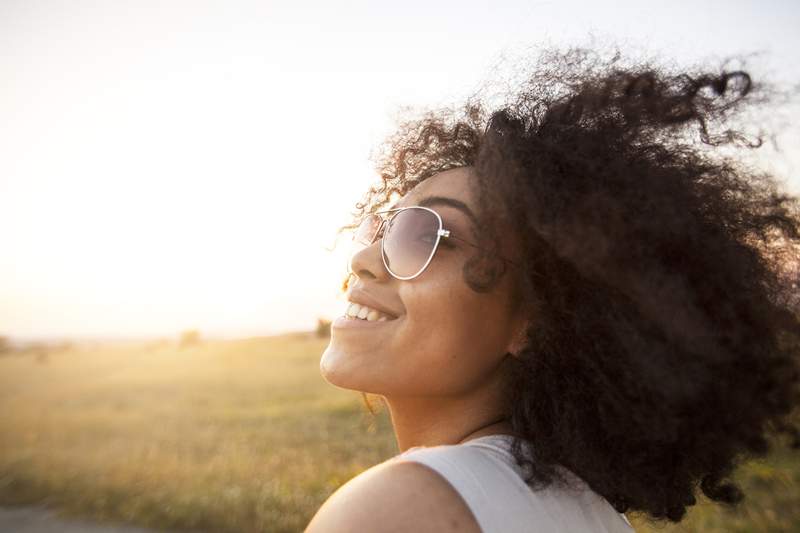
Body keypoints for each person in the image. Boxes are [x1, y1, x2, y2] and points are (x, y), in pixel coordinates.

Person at [305, 47, 800, 532]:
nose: (363, 259)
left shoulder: (396, 509)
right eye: (383, 229)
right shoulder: (595, 513)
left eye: (428, 236)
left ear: (536, 321)